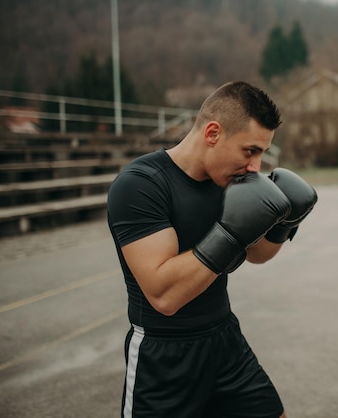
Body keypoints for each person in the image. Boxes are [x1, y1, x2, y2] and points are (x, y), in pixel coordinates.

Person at [107, 81, 317, 418]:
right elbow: (165, 296)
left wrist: (285, 223)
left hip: (225, 339)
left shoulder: (230, 182)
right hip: (165, 357)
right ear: (212, 133)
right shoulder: (140, 185)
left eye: (262, 153)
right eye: (250, 151)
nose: (256, 167)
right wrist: (229, 234)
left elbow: (258, 254)